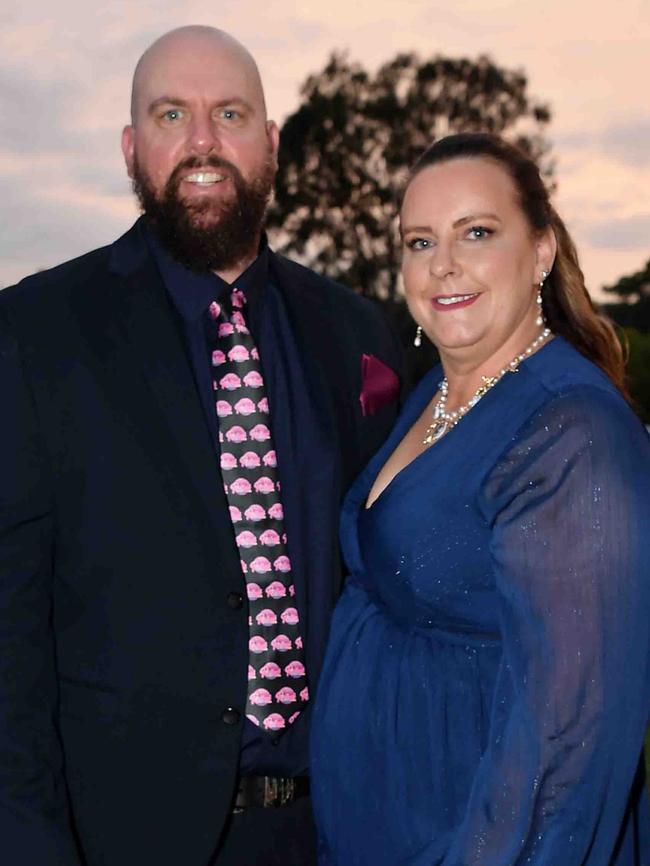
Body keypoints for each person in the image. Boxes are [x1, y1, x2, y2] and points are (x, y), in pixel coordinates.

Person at [0, 25, 403, 866]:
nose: (203, 141)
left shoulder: (360, 333)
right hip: (121, 839)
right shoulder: (36, 334)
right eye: (171, 114)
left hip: (335, 829)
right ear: (130, 146)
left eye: (230, 112)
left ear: (273, 141)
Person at [311, 133, 650, 865]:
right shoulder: (437, 389)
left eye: (477, 232)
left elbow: (567, 746)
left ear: (541, 251)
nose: (443, 264)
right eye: (419, 240)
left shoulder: (571, 432)